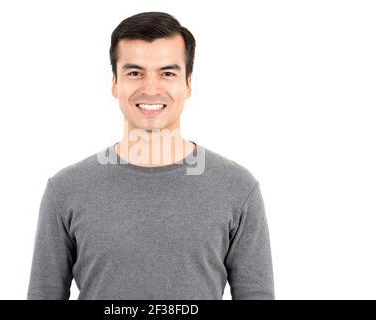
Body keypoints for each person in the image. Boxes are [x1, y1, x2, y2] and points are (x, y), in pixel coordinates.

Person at [27, 11, 275, 300]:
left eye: (167, 73)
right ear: (114, 83)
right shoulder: (65, 189)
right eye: (135, 73)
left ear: (188, 83)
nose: (151, 89)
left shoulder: (237, 187)